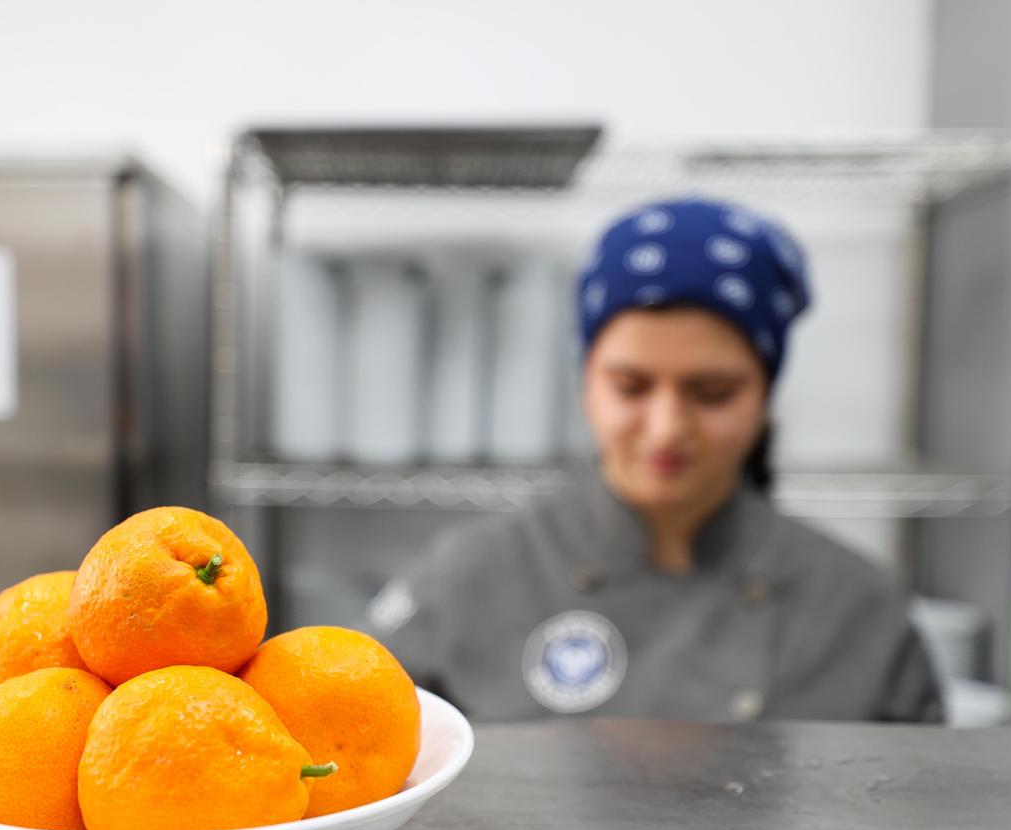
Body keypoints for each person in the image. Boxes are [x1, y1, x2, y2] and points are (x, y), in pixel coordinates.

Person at [367, 197, 942, 723]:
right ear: (585, 384)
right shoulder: (468, 580)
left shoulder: (859, 612)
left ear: (765, 398)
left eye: (712, 392)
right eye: (630, 387)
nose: (666, 430)